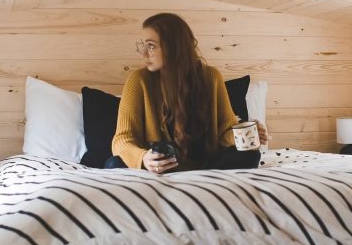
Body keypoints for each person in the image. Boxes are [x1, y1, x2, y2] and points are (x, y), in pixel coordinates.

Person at [106, 13, 269, 173]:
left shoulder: (211, 77)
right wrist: (143, 158)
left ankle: (197, 178)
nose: (144, 54)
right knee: (114, 164)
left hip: (206, 164)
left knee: (250, 154)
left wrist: (247, 135)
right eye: (144, 45)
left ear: (173, 47)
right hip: (159, 168)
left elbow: (224, 132)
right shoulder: (138, 80)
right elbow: (122, 140)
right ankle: (197, 180)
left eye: (151, 46)